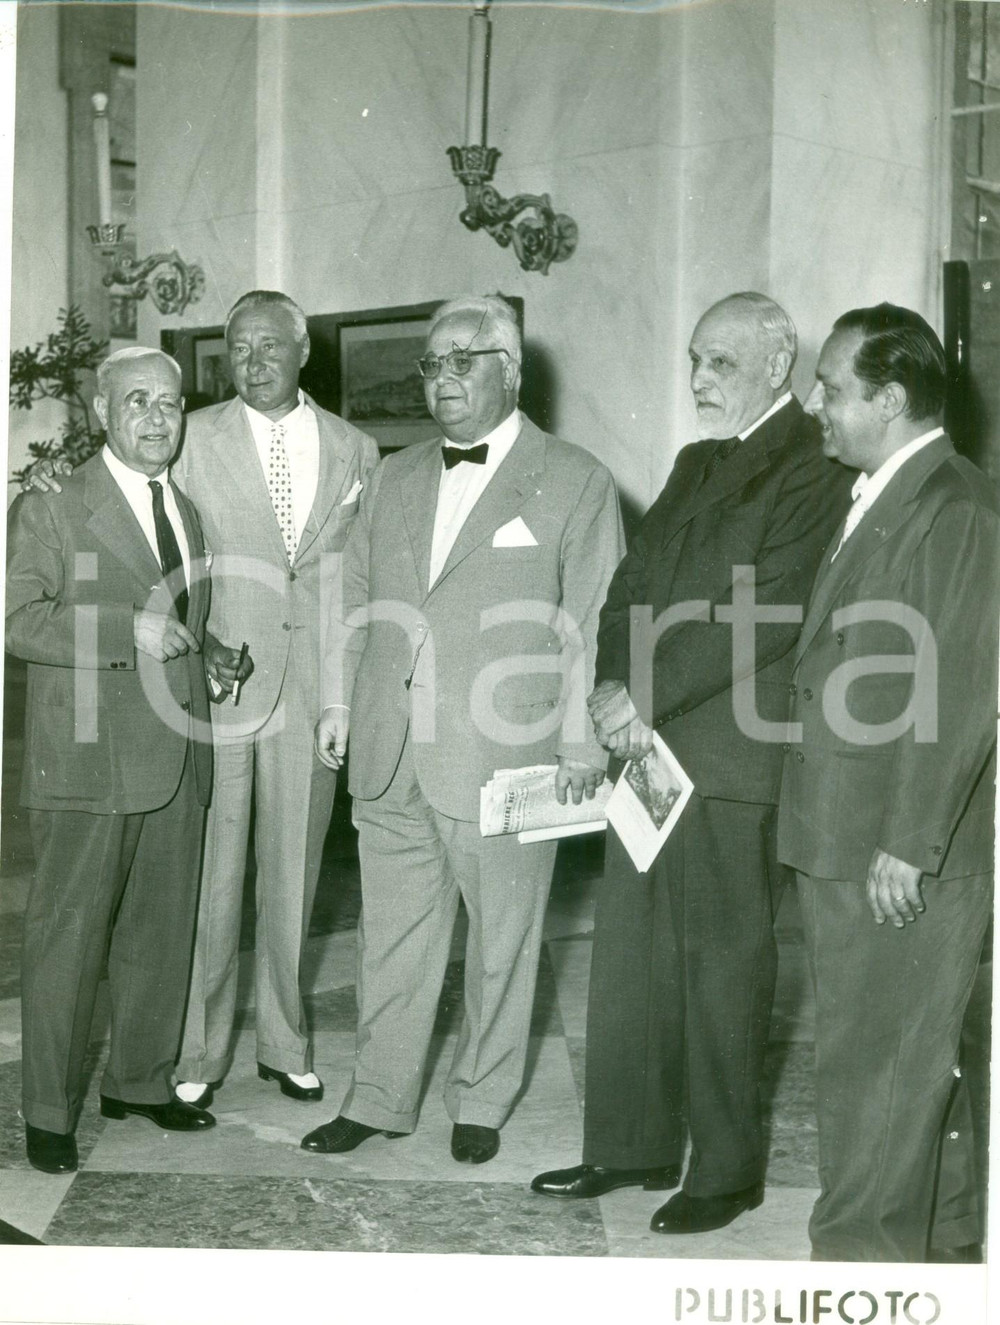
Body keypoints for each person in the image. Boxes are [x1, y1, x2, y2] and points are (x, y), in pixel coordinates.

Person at [532, 293, 853, 1233]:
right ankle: (625, 1144)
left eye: (720, 361)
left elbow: (771, 610)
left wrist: (645, 694)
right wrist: (609, 692)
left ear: (779, 357)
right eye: (694, 361)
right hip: (645, 745)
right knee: (629, 955)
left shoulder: (812, 461)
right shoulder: (692, 461)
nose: (700, 379)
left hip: (729, 756)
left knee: (724, 965)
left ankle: (725, 1167)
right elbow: (629, 586)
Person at [24, 291, 379, 1109]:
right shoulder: (187, 438)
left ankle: (286, 1043)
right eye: (238, 348)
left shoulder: (357, 449)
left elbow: (354, 582)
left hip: (311, 691)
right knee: (206, 879)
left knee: (296, 873)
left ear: (304, 350)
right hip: (210, 691)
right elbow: (120, 492)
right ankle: (196, 1051)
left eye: (269, 346)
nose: (253, 361)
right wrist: (53, 471)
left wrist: (343, 695)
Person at [302, 294, 624, 1164]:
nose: (441, 378)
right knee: (394, 935)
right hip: (389, 742)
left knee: (504, 939)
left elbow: (595, 618)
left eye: (462, 361)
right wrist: (338, 701)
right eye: (430, 364)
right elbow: (355, 597)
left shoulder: (577, 479)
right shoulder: (397, 474)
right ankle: (378, 1096)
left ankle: (481, 1097)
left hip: (505, 750)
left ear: (509, 370)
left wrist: (581, 742)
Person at [777, 303, 999, 1263]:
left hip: (896, 847)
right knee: (905, 1062)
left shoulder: (957, 506)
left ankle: (859, 1269)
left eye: (832, 387)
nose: (815, 404)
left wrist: (912, 841)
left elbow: (958, 690)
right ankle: (941, 1252)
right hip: (849, 832)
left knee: (877, 1071)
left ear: (893, 397)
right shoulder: (885, 489)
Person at [6, 347, 238, 1174]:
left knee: (159, 930)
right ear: (103, 412)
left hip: (176, 751)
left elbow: (173, 617)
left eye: (169, 404)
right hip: (89, 761)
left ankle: (138, 1081)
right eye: (135, 401)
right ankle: (48, 1111)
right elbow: (18, 621)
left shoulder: (189, 511)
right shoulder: (56, 507)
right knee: (67, 938)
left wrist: (206, 652)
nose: (154, 417)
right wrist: (126, 633)